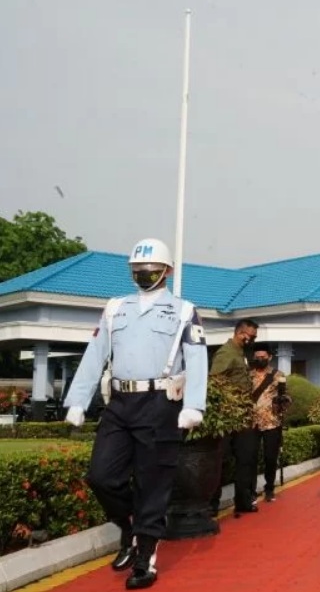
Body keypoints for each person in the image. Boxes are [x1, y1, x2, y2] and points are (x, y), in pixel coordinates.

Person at [63, 238, 208, 590]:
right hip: (120, 403)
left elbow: (197, 359)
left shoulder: (184, 311)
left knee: (152, 482)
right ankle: (129, 526)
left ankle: (145, 557)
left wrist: (193, 405)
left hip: (160, 403)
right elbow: (95, 354)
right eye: (137, 270)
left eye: (151, 270)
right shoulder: (115, 308)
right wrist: (78, 400)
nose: (144, 275)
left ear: (167, 271)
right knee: (101, 476)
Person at [209, 319, 259, 516]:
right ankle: (211, 505)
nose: (252, 340)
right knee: (220, 461)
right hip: (228, 416)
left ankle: (244, 501)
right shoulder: (226, 353)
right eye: (251, 336)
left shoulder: (241, 354)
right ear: (240, 333)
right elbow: (214, 382)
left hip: (243, 416)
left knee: (246, 458)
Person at [249, 343, 290, 503]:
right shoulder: (248, 375)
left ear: (270, 357)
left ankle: (269, 489)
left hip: (272, 422)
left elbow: (287, 396)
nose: (260, 360)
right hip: (251, 423)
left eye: (263, 357)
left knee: (270, 457)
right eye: (257, 357)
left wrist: (283, 401)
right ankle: (250, 491)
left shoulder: (277, 374)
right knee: (250, 458)